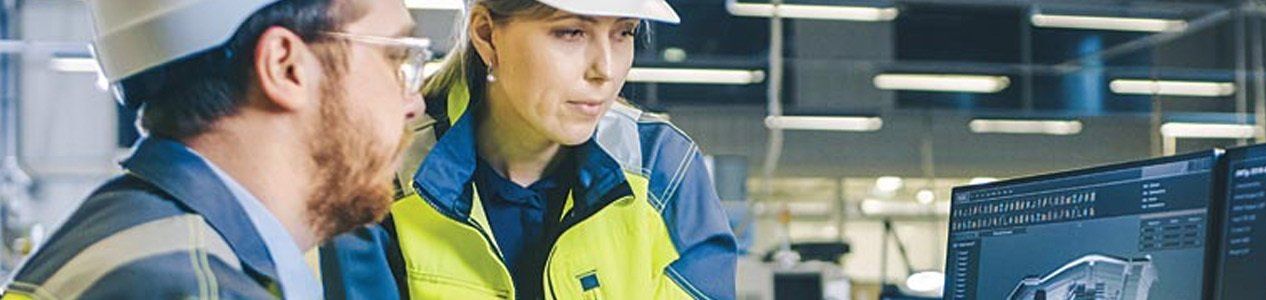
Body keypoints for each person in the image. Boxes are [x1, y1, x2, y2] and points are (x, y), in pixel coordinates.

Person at [2, 0, 426, 298]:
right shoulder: (202, 287)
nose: (415, 102)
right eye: (393, 57)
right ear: (285, 67)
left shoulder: (126, 238)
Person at [318, 0, 737, 298]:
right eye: (571, 32)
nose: (605, 70)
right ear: (486, 35)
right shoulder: (385, 174)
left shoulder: (663, 170)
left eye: (623, 32)